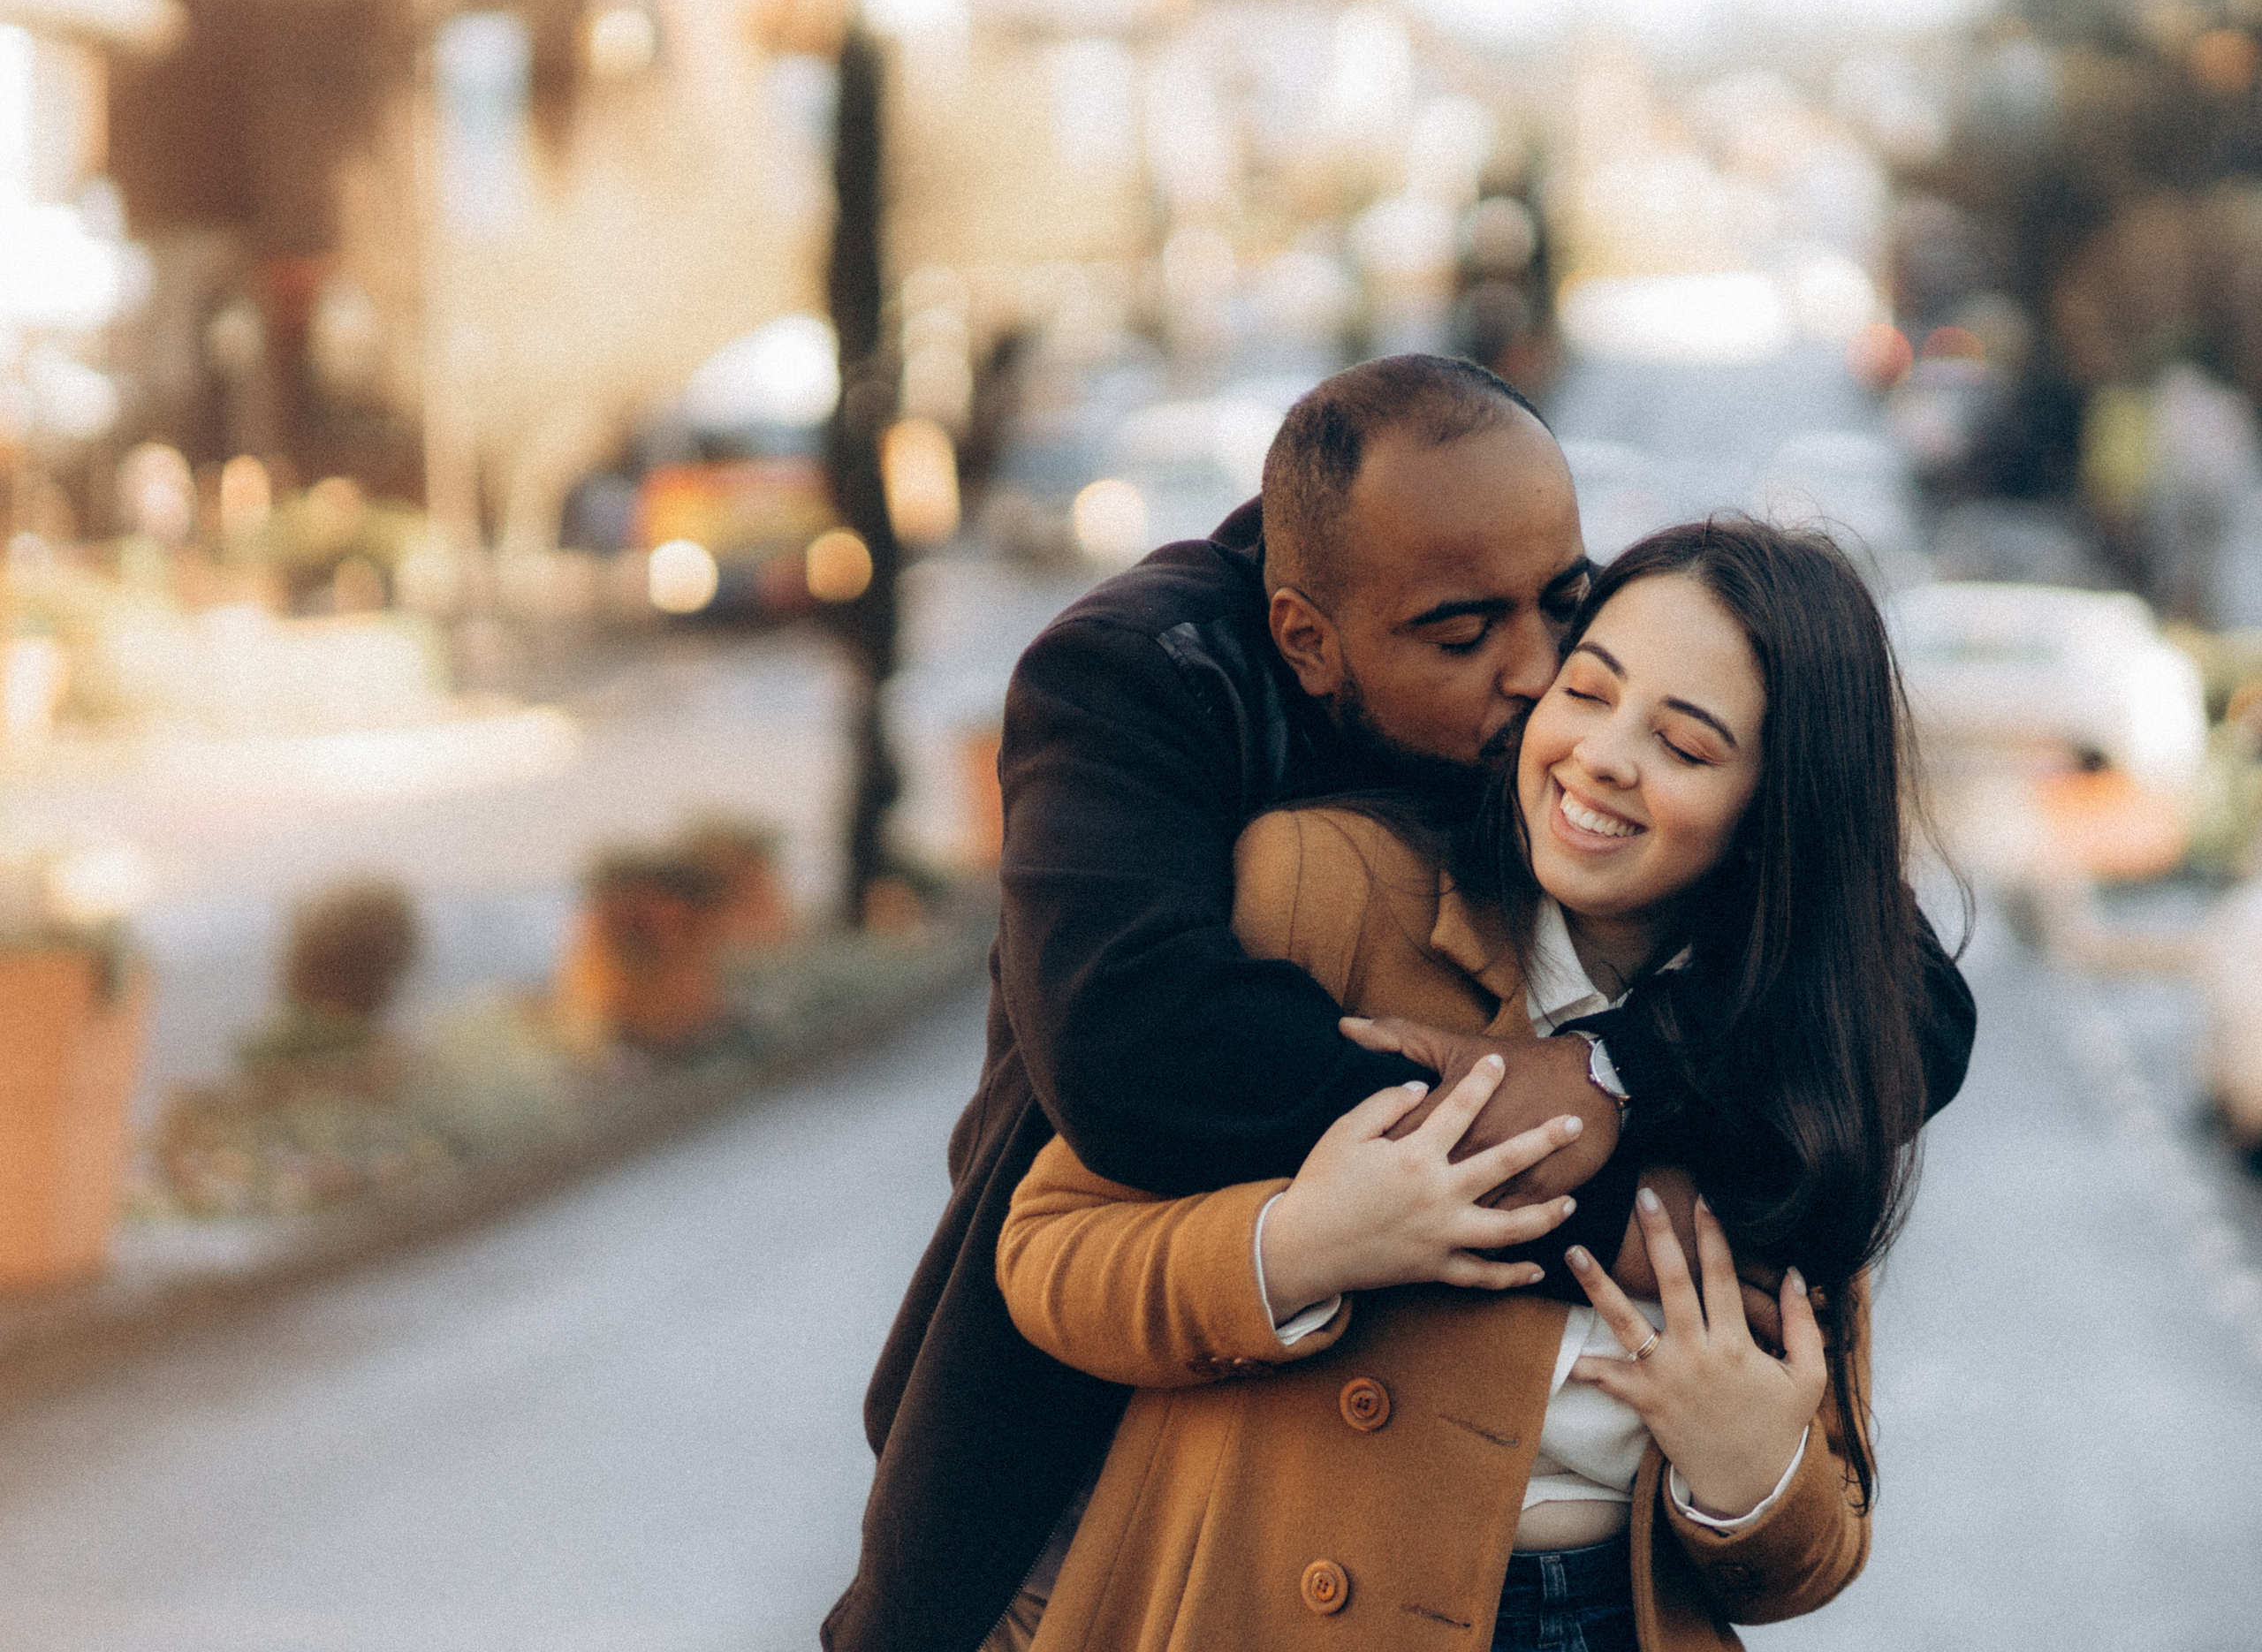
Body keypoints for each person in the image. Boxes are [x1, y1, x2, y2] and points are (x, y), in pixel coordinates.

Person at [824, 360, 1974, 1652]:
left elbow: (1906, 998)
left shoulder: (1775, 1045)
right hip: (1089, 1468)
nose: (1544, 682)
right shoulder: (1170, 703)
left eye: (1567, 609)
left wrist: (1614, 1078)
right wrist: (1558, 1203)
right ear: (1309, 639)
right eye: (1467, 634)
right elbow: (1132, 1055)